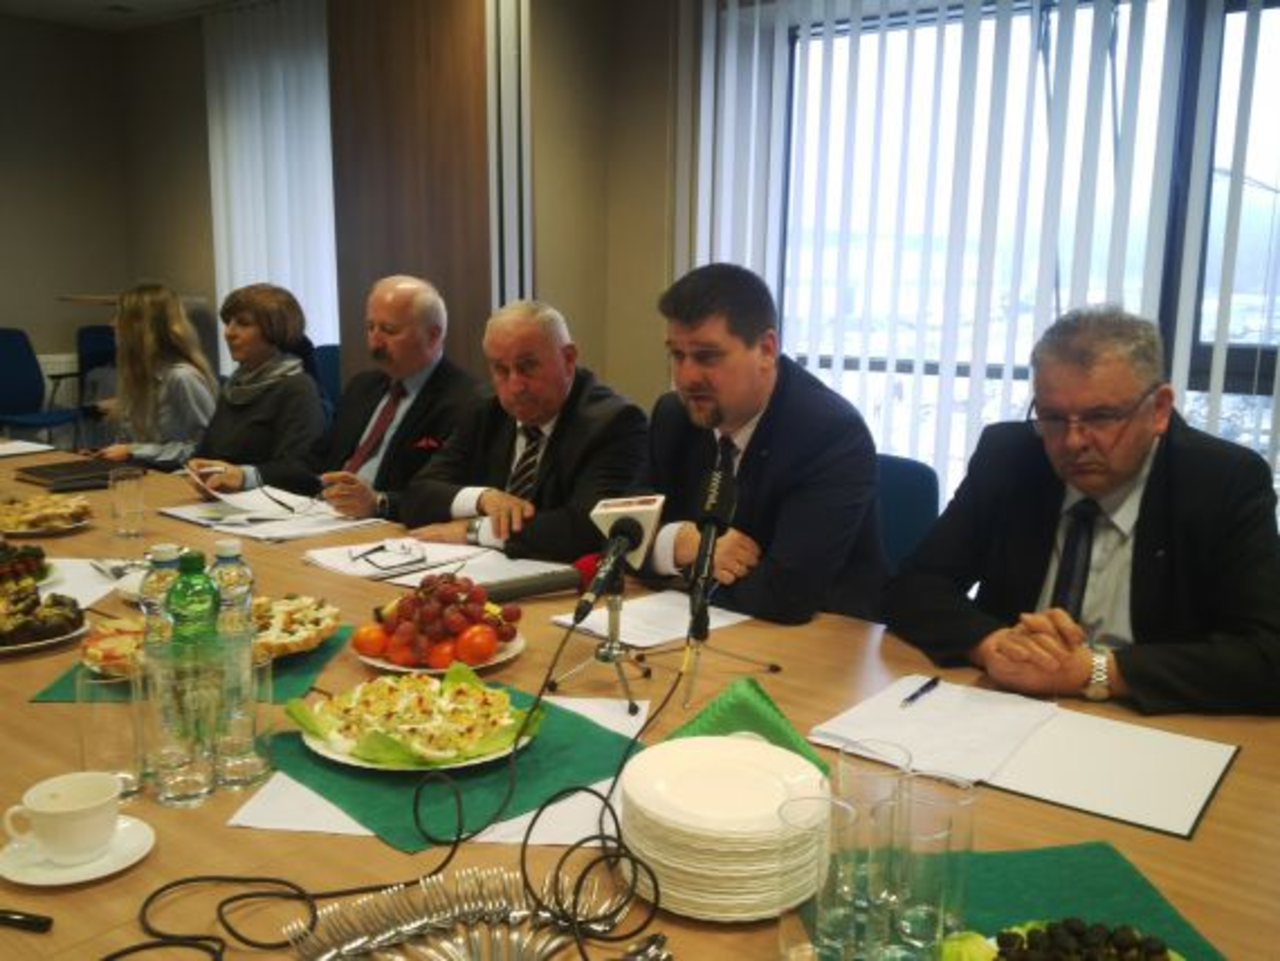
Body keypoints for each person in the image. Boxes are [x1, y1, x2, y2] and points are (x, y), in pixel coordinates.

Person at [885, 306, 1280, 715]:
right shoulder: (1011, 457)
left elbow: (1267, 655)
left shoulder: (1222, 481)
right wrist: (993, 645)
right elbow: (913, 587)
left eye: (1101, 417)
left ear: (1160, 409)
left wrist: (1095, 671)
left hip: (1147, 721)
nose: (1073, 442)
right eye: (1053, 418)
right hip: (1005, 708)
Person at [646, 262, 886, 624]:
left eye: (707, 356)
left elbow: (785, 595)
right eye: (677, 355)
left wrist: (673, 563)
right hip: (694, 625)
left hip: (817, 638)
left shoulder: (829, 434)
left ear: (766, 349)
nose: (687, 377)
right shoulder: (674, 416)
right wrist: (681, 543)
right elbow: (619, 534)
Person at [400, 300, 648, 562]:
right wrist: (483, 498)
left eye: (527, 366)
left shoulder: (615, 423)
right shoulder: (484, 408)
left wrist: (475, 531)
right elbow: (417, 497)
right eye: (501, 369)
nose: (515, 386)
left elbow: (589, 528)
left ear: (568, 359)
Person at [265, 275, 477, 520]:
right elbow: (316, 461)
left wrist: (380, 503)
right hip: (324, 515)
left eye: (389, 330)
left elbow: (452, 494)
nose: (375, 341)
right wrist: (248, 476)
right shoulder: (362, 387)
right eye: (370, 327)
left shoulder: (466, 401)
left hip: (392, 527)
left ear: (433, 335)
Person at [186, 283, 327, 491]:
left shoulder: (298, 387)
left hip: (271, 504)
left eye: (243, 324)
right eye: (228, 322)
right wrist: (199, 467)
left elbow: (301, 469)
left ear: (276, 330)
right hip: (220, 499)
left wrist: (243, 477)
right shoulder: (234, 384)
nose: (229, 332)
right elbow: (205, 453)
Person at [93, 283, 218, 466]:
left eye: (120, 316)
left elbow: (207, 450)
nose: (112, 324)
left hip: (177, 478)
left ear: (142, 327)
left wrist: (134, 451)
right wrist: (109, 452)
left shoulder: (182, 378)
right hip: (144, 473)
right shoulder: (139, 377)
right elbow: (133, 442)